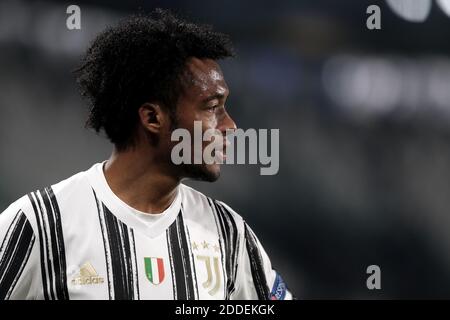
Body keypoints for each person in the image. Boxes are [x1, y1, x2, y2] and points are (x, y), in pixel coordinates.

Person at [0, 9, 292, 300]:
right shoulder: (41, 223)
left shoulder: (228, 234)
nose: (230, 126)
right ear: (153, 118)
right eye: (211, 107)